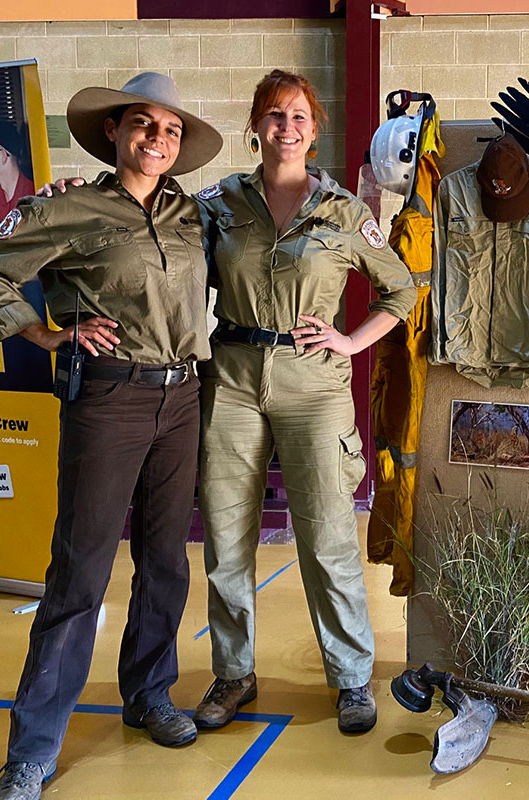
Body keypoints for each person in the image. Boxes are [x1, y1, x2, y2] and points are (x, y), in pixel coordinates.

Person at [0, 73, 223, 800]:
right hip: (109, 400)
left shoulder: (195, 215)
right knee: (81, 572)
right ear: (114, 130)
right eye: (143, 124)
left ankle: (148, 694)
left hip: (184, 397)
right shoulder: (70, 206)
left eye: (170, 130)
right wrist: (45, 333)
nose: (156, 140)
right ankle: (34, 750)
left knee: (166, 560)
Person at [189, 70, 416, 735]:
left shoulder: (344, 212)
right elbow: (155, 244)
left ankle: (350, 678)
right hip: (230, 376)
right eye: (274, 115)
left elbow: (400, 293)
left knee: (327, 534)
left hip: (314, 383)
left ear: (314, 132)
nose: (285, 128)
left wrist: (350, 342)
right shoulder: (218, 205)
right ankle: (233, 673)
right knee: (227, 539)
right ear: (255, 125)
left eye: (298, 118)